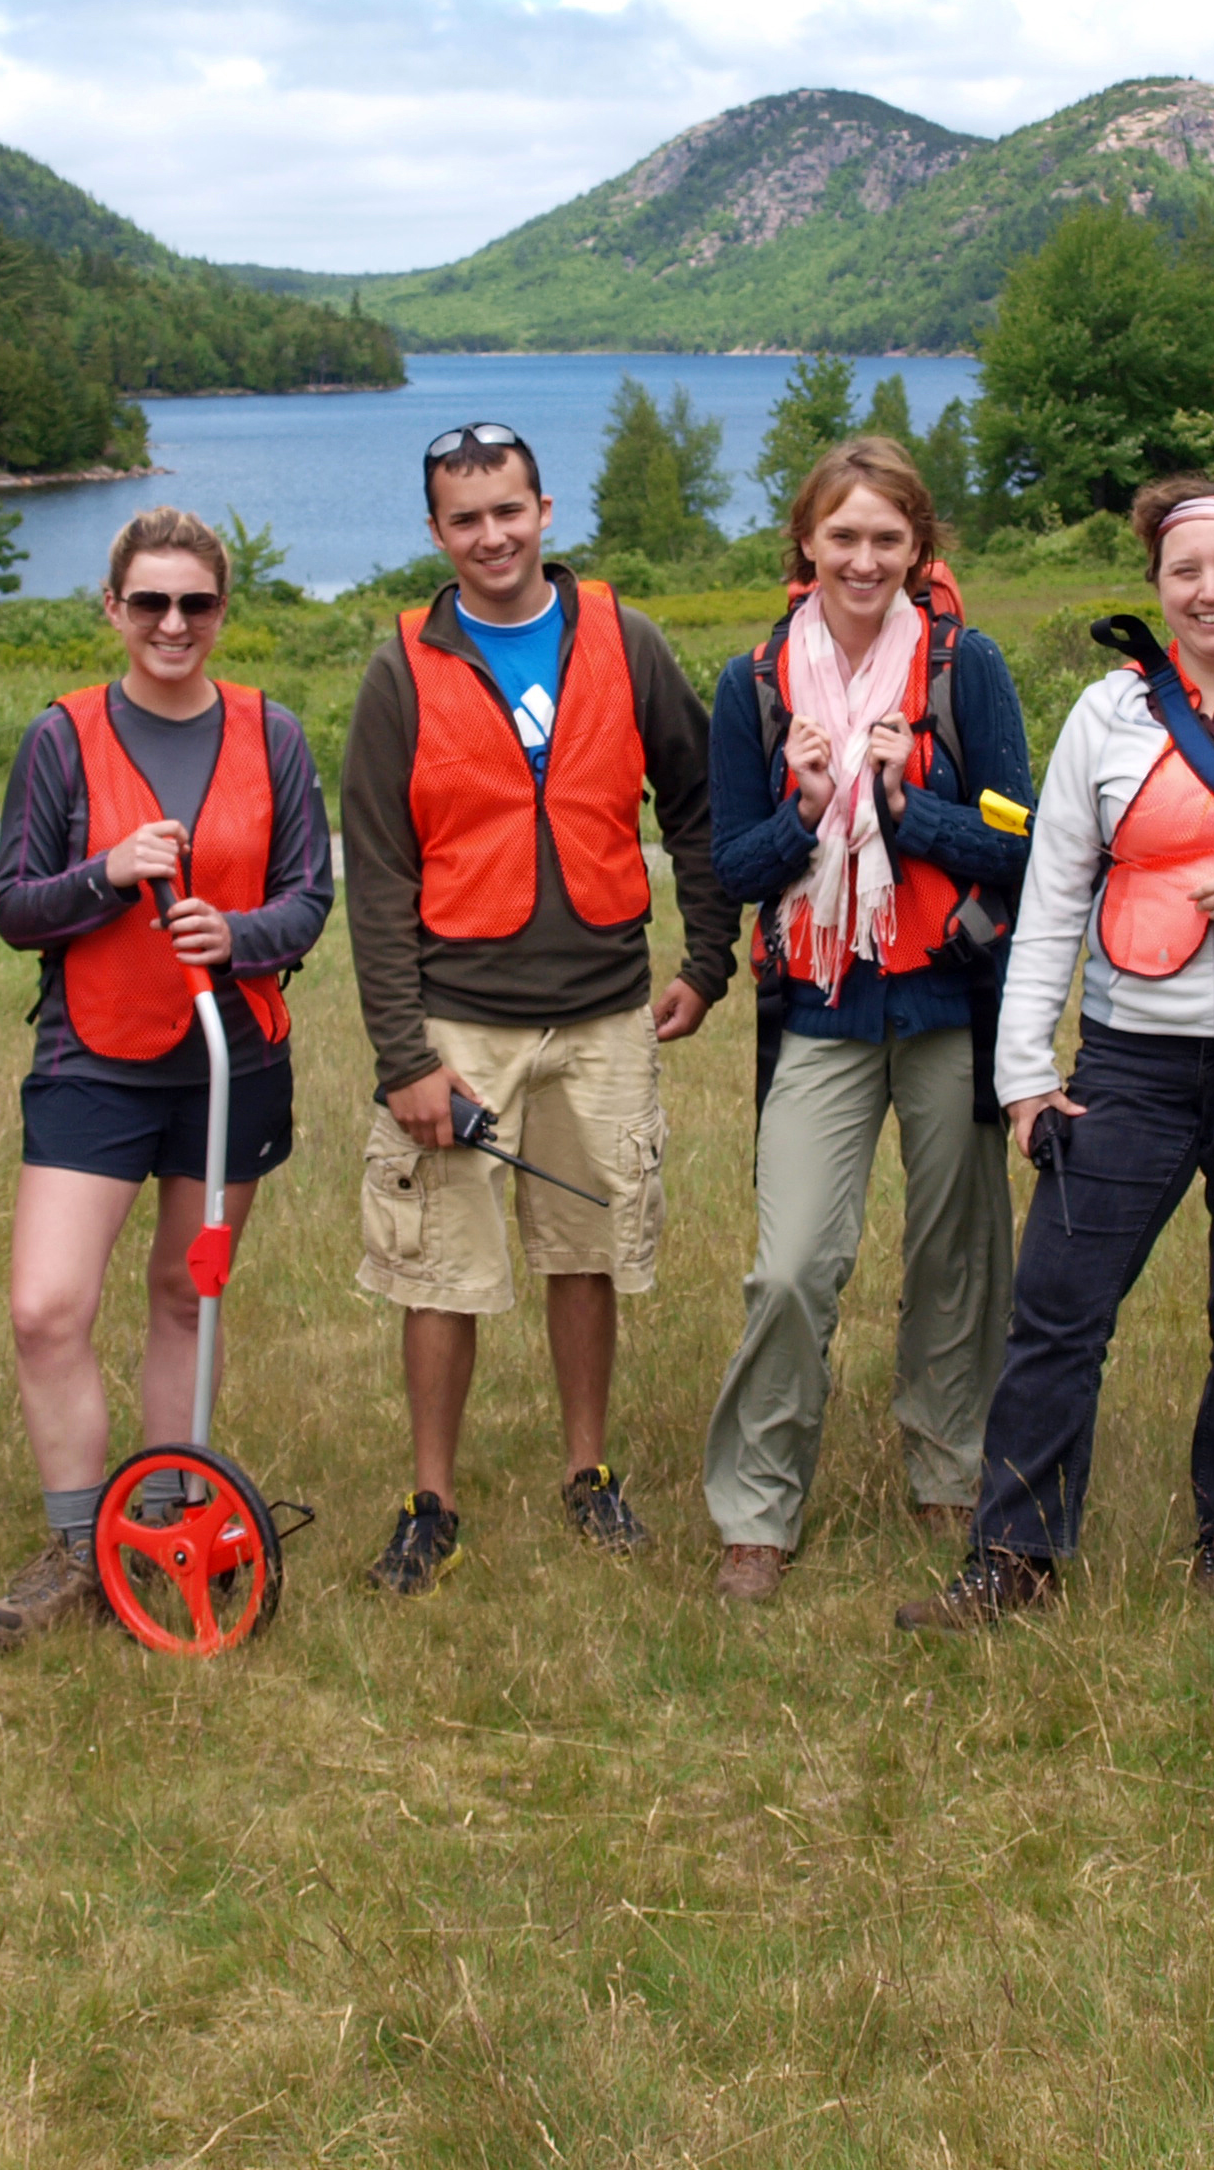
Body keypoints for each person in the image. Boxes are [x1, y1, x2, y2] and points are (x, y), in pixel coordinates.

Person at [897, 476, 1214, 1633]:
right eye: (1186, 572)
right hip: (1133, 1058)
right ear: (1158, 587)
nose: (1210, 590)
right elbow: (1055, 891)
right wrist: (1026, 1076)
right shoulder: (1107, 714)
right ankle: (1013, 1552)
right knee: (1059, 1303)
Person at [342, 423, 732, 1592]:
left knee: (588, 1252)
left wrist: (709, 959)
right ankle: (431, 1501)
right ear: (436, 534)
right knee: (437, 1267)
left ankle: (588, 1473)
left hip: (605, 1009)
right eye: (466, 519)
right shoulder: (402, 665)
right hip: (457, 1017)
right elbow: (375, 871)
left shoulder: (626, 637)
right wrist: (405, 1056)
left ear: (544, 510)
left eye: (509, 510)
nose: (492, 535)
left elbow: (699, 803)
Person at [0, 507, 333, 1649]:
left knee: (187, 1295)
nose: (174, 624)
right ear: (113, 609)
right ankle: (81, 1546)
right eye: (151, 603)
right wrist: (106, 875)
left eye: (197, 604)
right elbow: (15, 909)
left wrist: (240, 934)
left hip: (231, 1064)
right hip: (95, 1062)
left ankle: (171, 1518)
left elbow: (309, 899)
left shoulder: (271, 733)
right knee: (47, 1309)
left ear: (223, 613)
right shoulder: (62, 737)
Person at [700, 437, 1033, 1604]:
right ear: (806, 543)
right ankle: (758, 1508)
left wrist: (909, 805)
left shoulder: (966, 668)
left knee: (956, 1254)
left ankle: (948, 1469)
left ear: (919, 550)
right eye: (843, 535)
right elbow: (732, 866)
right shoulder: (751, 683)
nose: (864, 558)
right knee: (790, 1267)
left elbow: (1022, 842)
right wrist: (802, 809)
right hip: (823, 1006)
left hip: (947, 995)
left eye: (887, 538)